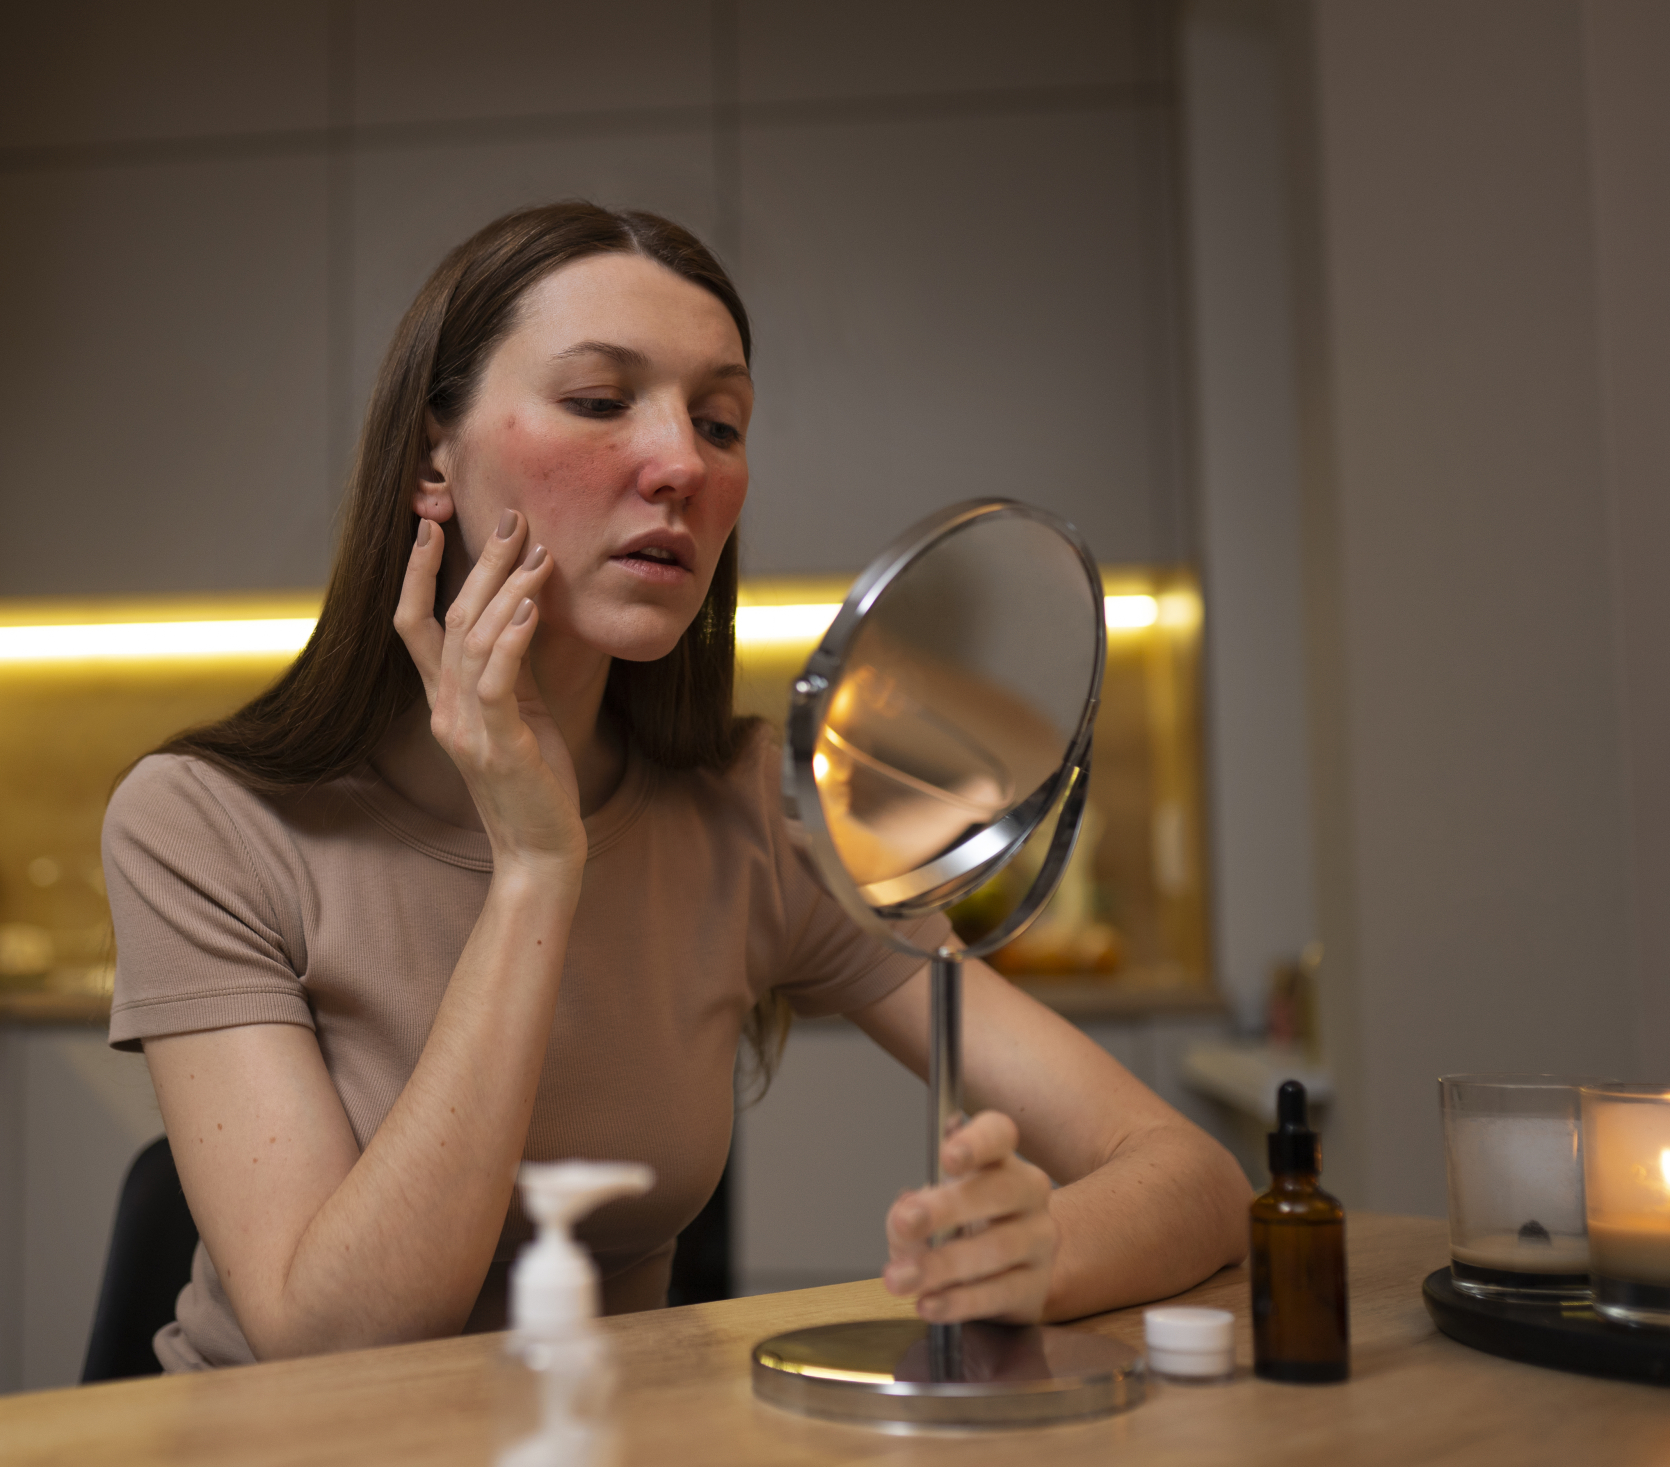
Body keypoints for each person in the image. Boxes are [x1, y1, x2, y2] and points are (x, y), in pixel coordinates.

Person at [104, 202, 1252, 1371]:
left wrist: (1040, 1250)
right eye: (600, 402)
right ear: (429, 460)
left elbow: (1192, 1178)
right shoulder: (203, 824)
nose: (682, 466)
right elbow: (333, 1340)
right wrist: (536, 869)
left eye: (720, 422)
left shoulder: (756, 808)